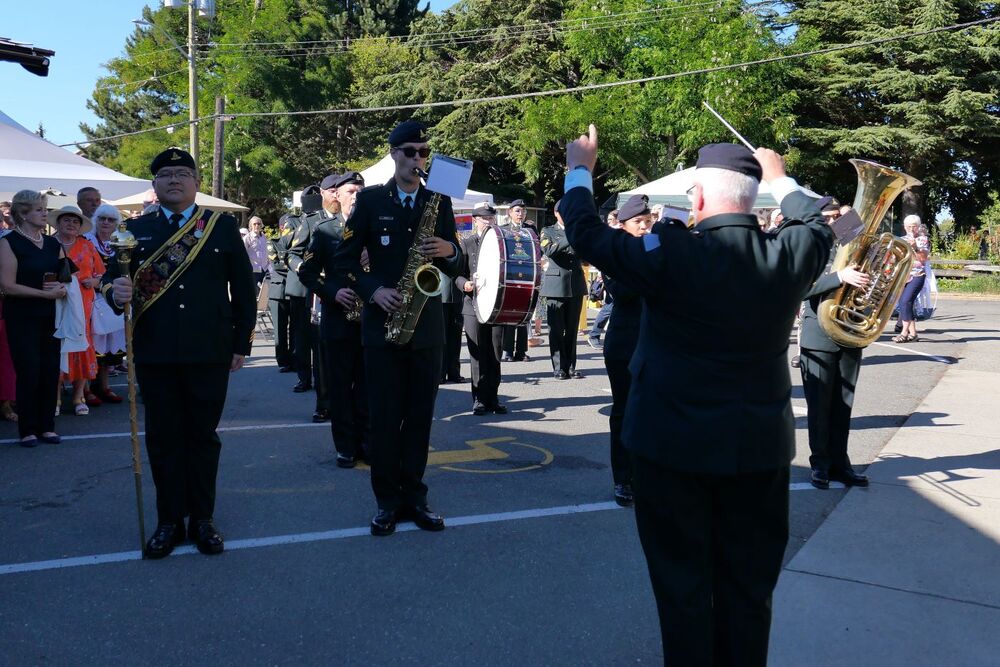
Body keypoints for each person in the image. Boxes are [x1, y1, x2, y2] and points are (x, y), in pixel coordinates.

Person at [561, 126, 834, 665]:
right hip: (757, 451)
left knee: (682, 594)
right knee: (750, 595)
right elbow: (814, 219)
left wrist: (580, 169)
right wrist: (781, 179)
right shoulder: (793, 251)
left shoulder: (669, 253)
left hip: (670, 451)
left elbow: (587, 234)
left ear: (701, 198)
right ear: (755, 198)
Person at [104, 148, 256, 559]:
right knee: (164, 438)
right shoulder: (133, 230)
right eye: (166, 174)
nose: (174, 180)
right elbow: (109, 280)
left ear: (196, 183)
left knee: (202, 438)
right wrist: (115, 291)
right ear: (154, 185)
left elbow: (244, 291)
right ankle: (169, 520)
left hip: (209, 351)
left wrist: (241, 344)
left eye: (183, 173)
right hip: (155, 352)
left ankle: (203, 519)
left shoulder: (221, 228)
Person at [330, 119, 463, 537]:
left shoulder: (439, 202)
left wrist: (451, 249)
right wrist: (374, 292)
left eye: (424, 152)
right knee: (385, 419)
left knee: (420, 418)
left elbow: (457, 263)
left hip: (426, 329)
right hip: (382, 327)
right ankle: (387, 502)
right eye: (410, 152)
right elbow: (345, 262)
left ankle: (416, 497)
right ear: (393, 154)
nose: (418, 159)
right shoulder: (370, 201)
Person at [298, 171, 370, 467]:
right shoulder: (325, 231)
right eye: (351, 191)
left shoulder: (376, 228)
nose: (356, 196)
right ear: (337, 196)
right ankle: (345, 446)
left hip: (371, 320)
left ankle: (366, 443)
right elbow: (307, 272)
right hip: (339, 319)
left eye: (360, 191)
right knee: (340, 387)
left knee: (368, 387)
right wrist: (333, 292)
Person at [799, 247, 873, 490]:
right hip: (819, 337)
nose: (836, 221)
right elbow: (799, 287)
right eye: (829, 216)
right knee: (819, 405)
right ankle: (820, 463)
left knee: (843, 405)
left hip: (851, 331)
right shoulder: (811, 248)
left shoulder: (866, 253)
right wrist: (839, 277)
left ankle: (841, 463)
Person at [0, 190, 66, 447]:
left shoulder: (52, 243)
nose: (44, 213)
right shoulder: (9, 242)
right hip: (22, 315)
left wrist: (61, 288)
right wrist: (42, 294)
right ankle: (27, 429)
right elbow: (6, 286)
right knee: (29, 370)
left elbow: (65, 274)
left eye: (44, 208)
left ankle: (47, 426)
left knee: (50, 370)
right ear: (24, 214)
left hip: (51, 314)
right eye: (39, 209)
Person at [600, 195, 651, 507]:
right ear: (624, 225)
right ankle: (623, 479)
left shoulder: (659, 249)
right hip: (625, 344)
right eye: (639, 223)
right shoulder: (613, 253)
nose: (645, 227)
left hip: (658, 344)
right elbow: (622, 292)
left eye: (648, 222)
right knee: (624, 412)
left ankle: (646, 475)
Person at [51, 205, 103, 415]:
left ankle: (78, 396)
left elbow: (101, 274)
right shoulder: (48, 244)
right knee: (57, 345)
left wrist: (93, 280)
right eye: (67, 220)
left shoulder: (87, 245)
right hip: (56, 301)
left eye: (75, 221)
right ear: (58, 223)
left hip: (83, 301)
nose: (71, 224)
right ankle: (54, 399)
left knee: (81, 344)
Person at [456, 202, 507, 415]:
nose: (488, 221)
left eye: (491, 218)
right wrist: (465, 284)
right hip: (473, 304)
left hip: (495, 305)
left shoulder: (501, 242)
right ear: (475, 220)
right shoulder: (466, 243)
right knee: (477, 353)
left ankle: (493, 397)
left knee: (495, 353)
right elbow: (456, 274)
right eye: (484, 218)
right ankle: (478, 398)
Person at [540, 199, 587, 379]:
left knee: (572, 328)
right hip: (555, 286)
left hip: (575, 284)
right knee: (556, 329)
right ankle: (559, 367)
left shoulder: (578, 231)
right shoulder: (547, 231)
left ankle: (571, 366)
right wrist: (570, 236)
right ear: (556, 213)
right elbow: (550, 251)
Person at [85, 204, 126, 404]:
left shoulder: (120, 242)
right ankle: (85, 389)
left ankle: (104, 386)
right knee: (93, 343)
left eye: (111, 220)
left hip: (112, 299)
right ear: (96, 221)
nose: (106, 223)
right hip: (91, 298)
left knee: (110, 346)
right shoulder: (87, 241)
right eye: (102, 219)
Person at [499, 199, 532, 361]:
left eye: (523, 211)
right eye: (518, 211)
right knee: (509, 312)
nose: (521, 214)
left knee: (524, 313)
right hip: (510, 274)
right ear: (510, 212)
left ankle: (521, 351)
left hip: (527, 275)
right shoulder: (503, 230)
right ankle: (507, 350)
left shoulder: (530, 230)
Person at [893, 214, 930, 343]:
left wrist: (915, 247)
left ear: (918, 227)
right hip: (903, 276)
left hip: (917, 275)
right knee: (907, 303)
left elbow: (923, 259)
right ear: (904, 227)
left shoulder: (923, 240)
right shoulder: (901, 240)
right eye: (909, 227)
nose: (911, 229)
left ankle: (904, 332)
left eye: (914, 227)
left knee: (905, 301)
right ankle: (913, 333)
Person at [587, 209, 619, 349]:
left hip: (618, 274)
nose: (609, 222)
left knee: (613, 306)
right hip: (610, 274)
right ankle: (594, 335)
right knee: (609, 306)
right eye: (610, 219)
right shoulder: (609, 233)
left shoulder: (621, 232)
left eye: (611, 220)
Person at [268, 214, 294, 373]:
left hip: (293, 291)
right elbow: (277, 265)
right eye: (287, 226)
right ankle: (283, 360)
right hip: (278, 291)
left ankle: (294, 358)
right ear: (281, 227)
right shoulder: (274, 242)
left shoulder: (297, 243)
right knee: (280, 329)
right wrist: (294, 266)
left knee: (295, 329)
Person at [243, 216, 271, 291]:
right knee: (255, 293)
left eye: (259, 224)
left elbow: (265, 250)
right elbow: (242, 254)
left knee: (265, 293)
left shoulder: (263, 237)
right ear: (250, 226)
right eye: (254, 224)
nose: (257, 226)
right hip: (253, 270)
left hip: (265, 268)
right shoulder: (247, 238)